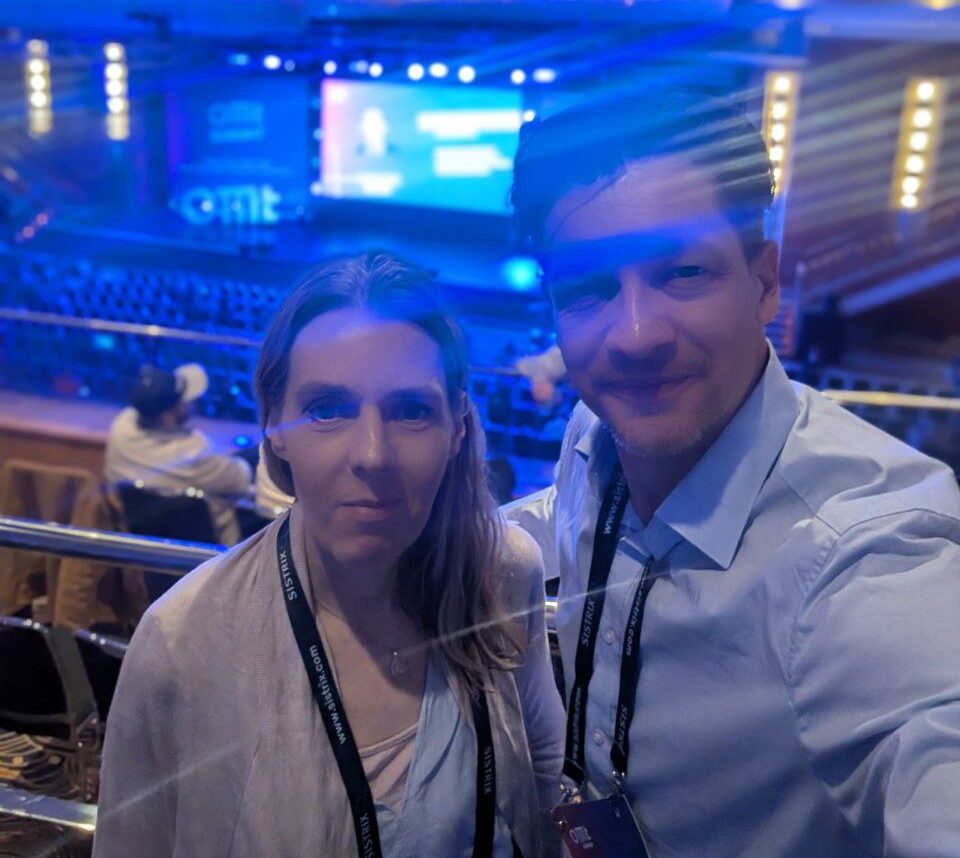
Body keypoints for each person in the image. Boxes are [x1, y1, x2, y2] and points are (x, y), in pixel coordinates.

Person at [506, 88, 960, 857]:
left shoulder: (865, 556)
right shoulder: (598, 431)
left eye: (683, 271)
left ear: (765, 282)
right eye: (587, 288)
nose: (635, 335)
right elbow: (557, 509)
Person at [94, 252, 564, 858]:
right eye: (327, 409)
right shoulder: (182, 640)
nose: (372, 455)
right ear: (275, 429)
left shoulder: (505, 572)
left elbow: (540, 781)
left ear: (457, 429)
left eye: (411, 410)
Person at [104, 362, 253, 544]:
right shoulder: (195, 452)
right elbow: (241, 479)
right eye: (183, 402)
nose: (189, 404)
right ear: (167, 416)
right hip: (210, 552)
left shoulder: (120, 427)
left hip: (142, 545)